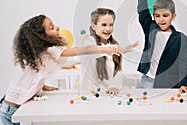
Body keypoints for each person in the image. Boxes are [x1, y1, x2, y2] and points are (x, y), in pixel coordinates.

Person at [0, 14, 137, 125]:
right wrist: (106, 49)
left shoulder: (44, 53)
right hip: (13, 109)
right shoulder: (51, 50)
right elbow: (84, 50)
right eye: (52, 27)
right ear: (41, 36)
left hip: (11, 104)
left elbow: (35, 74)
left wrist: (43, 86)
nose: (57, 27)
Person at [135, 0, 187, 94]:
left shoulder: (180, 38)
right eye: (157, 16)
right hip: (147, 80)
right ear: (154, 16)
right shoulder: (151, 28)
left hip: (168, 84)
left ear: (173, 16)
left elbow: (183, 63)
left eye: (165, 16)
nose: (161, 19)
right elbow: (142, 11)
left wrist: (184, 84)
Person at [79, 8, 138, 95]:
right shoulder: (89, 41)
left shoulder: (114, 44)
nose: (108, 28)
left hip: (108, 94)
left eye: (111, 25)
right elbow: (93, 51)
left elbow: (118, 71)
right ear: (93, 26)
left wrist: (114, 86)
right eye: (104, 25)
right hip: (88, 94)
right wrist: (113, 49)